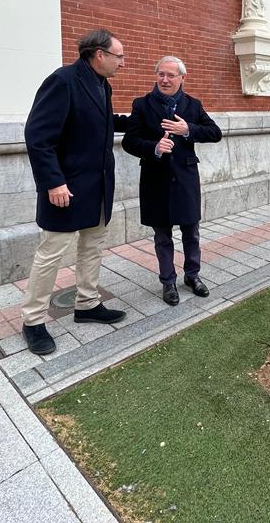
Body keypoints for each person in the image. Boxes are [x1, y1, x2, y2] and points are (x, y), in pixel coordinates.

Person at [21, 29, 131, 355]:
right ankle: (33, 321)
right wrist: (53, 182)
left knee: (93, 247)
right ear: (99, 54)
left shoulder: (102, 85)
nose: (122, 62)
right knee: (51, 254)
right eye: (119, 56)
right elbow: (37, 136)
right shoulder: (63, 81)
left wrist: (139, 122)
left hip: (97, 189)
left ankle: (87, 304)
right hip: (64, 189)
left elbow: (97, 122)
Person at [122, 56, 222, 306]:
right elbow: (129, 141)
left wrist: (187, 130)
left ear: (182, 78)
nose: (165, 80)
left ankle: (192, 275)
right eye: (160, 74)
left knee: (191, 232)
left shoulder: (193, 105)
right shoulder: (142, 105)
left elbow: (215, 133)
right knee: (162, 235)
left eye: (170, 75)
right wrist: (154, 147)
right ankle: (168, 281)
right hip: (155, 179)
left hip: (186, 178)